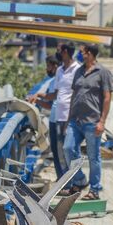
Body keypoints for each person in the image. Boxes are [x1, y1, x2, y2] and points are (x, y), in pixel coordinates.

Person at [62, 43, 113, 199]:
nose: (79, 54)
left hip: (92, 121)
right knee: (68, 148)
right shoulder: (78, 71)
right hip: (75, 121)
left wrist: (102, 122)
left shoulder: (102, 72)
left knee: (93, 156)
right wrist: (68, 119)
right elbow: (74, 96)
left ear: (89, 54)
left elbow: (107, 98)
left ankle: (95, 189)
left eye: (82, 52)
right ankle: (80, 180)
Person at [46, 42, 80, 179]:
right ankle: (67, 182)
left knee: (70, 150)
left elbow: (77, 94)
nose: (57, 53)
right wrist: (38, 97)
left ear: (65, 52)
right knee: (61, 152)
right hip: (59, 117)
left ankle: (77, 179)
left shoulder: (78, 69)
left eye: (59, 50)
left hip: (70, 117)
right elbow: (56, 94)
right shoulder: (60, 70)